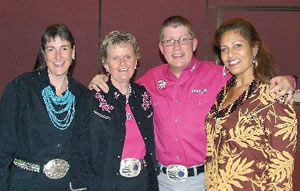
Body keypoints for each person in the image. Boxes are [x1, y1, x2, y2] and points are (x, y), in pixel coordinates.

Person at [88, 16, 295, 191]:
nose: (176, 47)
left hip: (204, 181)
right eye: (169, 41)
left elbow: (254, 82)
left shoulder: (220, 75)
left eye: (183, 40)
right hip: (161, 181)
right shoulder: (148, 82)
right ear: (161, 48)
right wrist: (101, 79)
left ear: (194, 44)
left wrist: (290, 80)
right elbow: (121, 83)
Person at [205, 18, 297, 191]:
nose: (230, 54)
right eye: (224, 49)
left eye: (237, 45)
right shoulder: (223, 93)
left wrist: (291, 81)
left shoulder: (273, 97)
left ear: (254, 49)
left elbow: (281, 174)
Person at [0, 24, 88, 190]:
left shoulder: (82, 95)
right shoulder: (20, 89)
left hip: (66, 185)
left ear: (73, 52)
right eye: (51, 49)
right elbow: (2, 147)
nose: (58, 56)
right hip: (26, 183)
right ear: (43, 53)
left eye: (64, 48)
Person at [72, 31, 159, 191]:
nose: (122, 63)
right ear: (105, 64)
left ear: (136, 61)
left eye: (127, 57)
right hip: (106, 183)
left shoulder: (143, 95)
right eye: (115, 58)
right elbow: (79, 145)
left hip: (143, 182)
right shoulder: (92, 98)